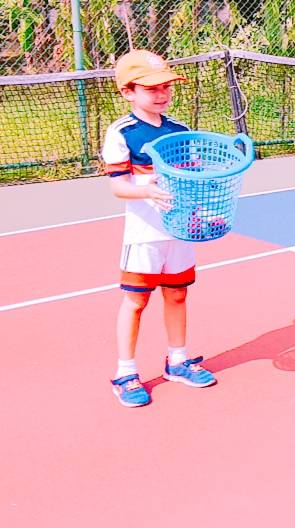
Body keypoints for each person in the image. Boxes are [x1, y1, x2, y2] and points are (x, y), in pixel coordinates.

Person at [102, 50, 217, 407]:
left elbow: (190, 179)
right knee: (136, 300)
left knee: (178, 294)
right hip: (144, 235)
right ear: (128, 92)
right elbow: (118, 186)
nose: (162, 94)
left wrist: (201, 212)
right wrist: (146, 190)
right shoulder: (122, 133)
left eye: (166, 86)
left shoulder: (179, 131)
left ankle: (177, 361)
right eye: (151, 88)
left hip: (180, 231)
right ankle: (126, 373)